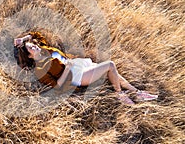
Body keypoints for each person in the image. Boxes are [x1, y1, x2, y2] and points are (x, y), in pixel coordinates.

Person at [13, 31, 158, 105]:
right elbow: (57, 87)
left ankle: (137, 92)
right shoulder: (40, 70)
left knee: (114, 74)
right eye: (31, 48)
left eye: (33, 44)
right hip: (75, 76)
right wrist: (68, 69)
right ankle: (120, 94)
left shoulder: (44, 48)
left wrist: (23, 39)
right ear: (30, 56)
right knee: (110, 66)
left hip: (78, 64)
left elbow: (36, 35)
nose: (35, 45)